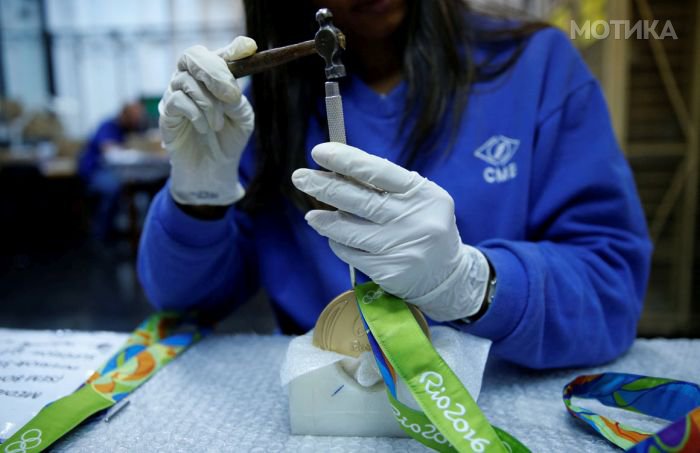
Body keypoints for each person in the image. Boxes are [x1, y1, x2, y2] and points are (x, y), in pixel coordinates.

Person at [138, 0, 652, 369]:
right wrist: (198, 196)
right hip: (324, 404)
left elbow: (612, 289)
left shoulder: (536, 66)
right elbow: (185, 301)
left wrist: (474, 284)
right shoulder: (261, 102)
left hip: (498, 398)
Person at [78, 102, 145, 240]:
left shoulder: (132, 128)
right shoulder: (108, 126)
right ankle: (101, 233)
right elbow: (108, 149)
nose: (137, 120)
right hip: (95, 171)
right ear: (124, 115)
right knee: (113, 188)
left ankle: (135, 229)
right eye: (134, 117)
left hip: (117, 171)